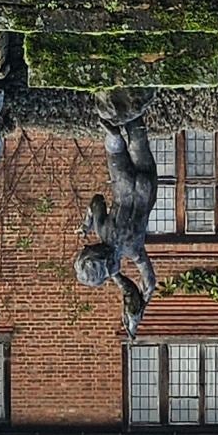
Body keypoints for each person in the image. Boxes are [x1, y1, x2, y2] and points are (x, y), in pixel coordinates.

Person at [72, 89, 159, 338]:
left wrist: (144, 298)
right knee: (116, 151)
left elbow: (148, 280)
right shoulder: (104, 230)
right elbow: (97, 201)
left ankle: (131, 106)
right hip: (122, 187)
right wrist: (87, 224)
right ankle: (113, 122)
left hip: (145, 190)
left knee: (137, 138)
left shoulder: (133, 250)